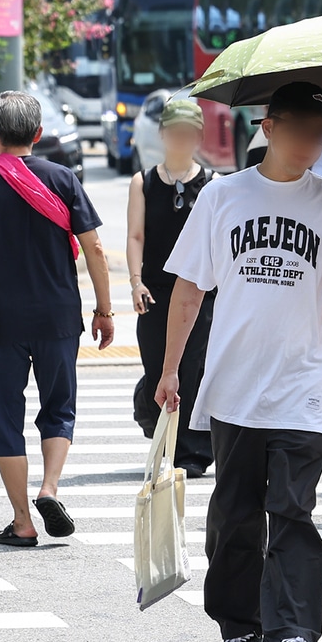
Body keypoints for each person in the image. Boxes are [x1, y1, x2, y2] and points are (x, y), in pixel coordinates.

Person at [155, 81, 322, 642]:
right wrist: (168, 370)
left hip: (302, 385)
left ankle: (290, 637)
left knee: (292, 511)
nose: (312, 145)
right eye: (302, 131)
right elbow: (189, 289)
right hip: (235, 385)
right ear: (268, 127)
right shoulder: (222, 196)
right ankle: (239, 629)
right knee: (235, 518)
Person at [0, 90, 113, 548]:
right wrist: (104, 310)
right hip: (59, 316)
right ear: (38, 135)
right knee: (58, 407)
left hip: (0, 322)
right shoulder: (63, 178)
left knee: (3, 416)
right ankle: (50, 488)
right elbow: (96, 249)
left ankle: (22, 521)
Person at [127, 99, 216, 478]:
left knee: (193, 367)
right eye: (174, 132)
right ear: (162, 134)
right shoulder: (143, 181)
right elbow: (134, 236)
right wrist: (135, 282)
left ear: (198, 136)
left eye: (188, 133)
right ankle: (157, 428)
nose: (180, 139)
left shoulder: (213, 184)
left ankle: (191, 452)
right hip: (156, 290)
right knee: (157, 368)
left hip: (199, 292)